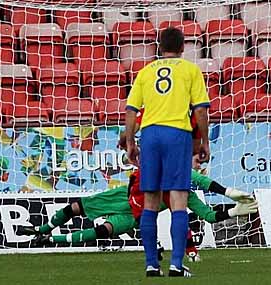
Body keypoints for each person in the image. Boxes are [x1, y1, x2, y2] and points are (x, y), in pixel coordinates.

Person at [125, 27, 210, 277]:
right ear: (183, 47)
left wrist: (131, 142)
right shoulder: (190, 70)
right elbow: (201, 111)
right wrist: (204, 141)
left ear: (159, 48)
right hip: (177, 134)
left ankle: (152, 265)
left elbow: (131, 111)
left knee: (150, 200)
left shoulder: (145, 72)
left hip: (150, 135)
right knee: (178, 200)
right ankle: (175, 263)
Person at [16, 171, 257, 256]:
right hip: (123, 196)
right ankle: (42, 229)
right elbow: (202, 179)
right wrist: (228, 191)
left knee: (104, 231)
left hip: (136, 214)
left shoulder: (187, 196)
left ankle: (49, 240)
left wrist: (235, 210)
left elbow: (208, 215)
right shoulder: (176, 172)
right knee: (75, 207)